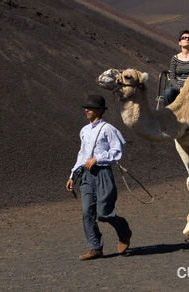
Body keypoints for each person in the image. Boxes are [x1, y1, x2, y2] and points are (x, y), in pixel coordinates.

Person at [66, 95, 132, 261]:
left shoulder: (108, 129)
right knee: (87, 212)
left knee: (104, 213)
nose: (87, 110)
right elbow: (82, 155)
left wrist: (98, 158)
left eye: (91, 108)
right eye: (86, 108)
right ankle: (95, 248)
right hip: (86, 176)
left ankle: (124, 231)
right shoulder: (84, 130)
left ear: (100, 111)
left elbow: (117, 151)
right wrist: (73, 175)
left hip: (103, 174)